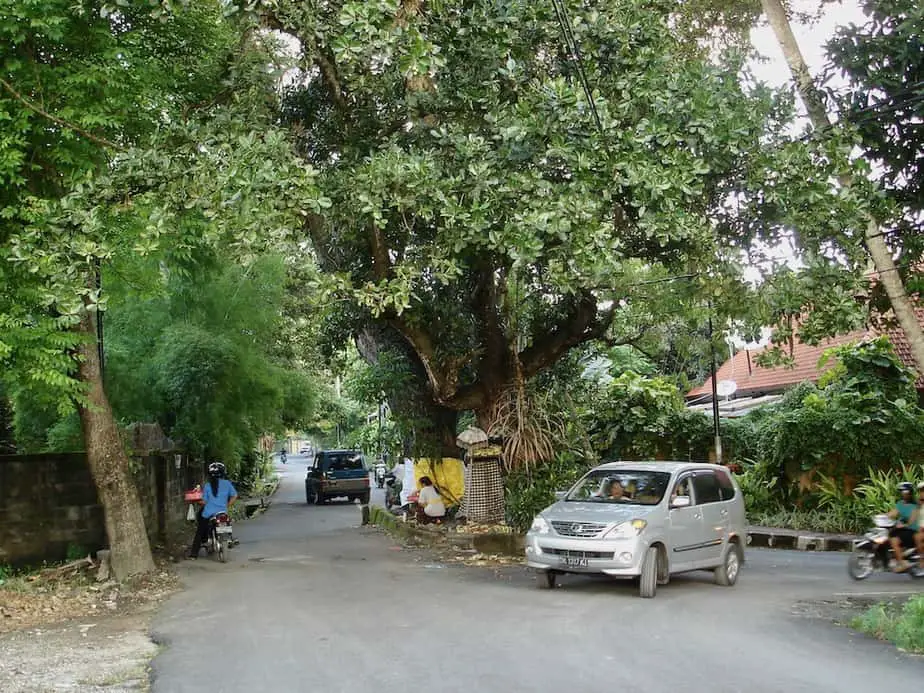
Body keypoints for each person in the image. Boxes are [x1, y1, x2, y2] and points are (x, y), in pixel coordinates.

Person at [189, 462, 238, 559]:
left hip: (209, 512)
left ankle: (194, 554)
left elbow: (204, 501)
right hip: (222, 511)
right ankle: (230, 538)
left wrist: (198, 501)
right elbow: (234, 496)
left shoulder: (207, 485)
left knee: (200, 529)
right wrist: (227, 505)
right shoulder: (227, 484)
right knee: (227, 521)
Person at [887, 482, 918, 572]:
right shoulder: (900, 503)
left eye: (905, 492)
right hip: (902, 529)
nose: (903, 494)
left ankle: (902, 563)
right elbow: (892, 513)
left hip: (912, 530)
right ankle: (893, 557)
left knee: (894, 540)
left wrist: (903, 525)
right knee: (887, 535)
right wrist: (881, 517)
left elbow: (912, 521)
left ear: (910, 493)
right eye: (902, 492)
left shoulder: (915, 506)